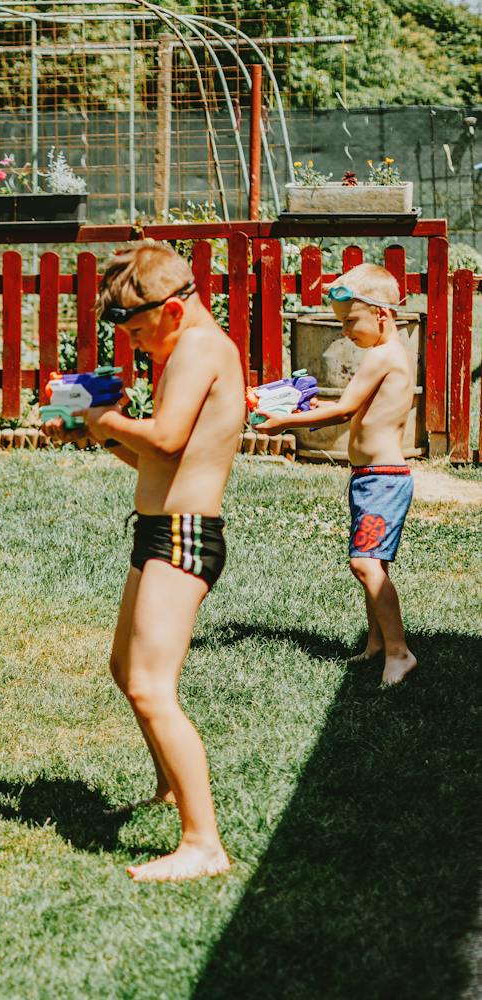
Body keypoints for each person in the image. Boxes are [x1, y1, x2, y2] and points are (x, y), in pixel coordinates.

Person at [43, 242, 243, 882]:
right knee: (126, 667)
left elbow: (165, 438)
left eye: (136, 333)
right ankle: (169, 787)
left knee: (151, 686)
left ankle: (203, 845)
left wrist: (102, 416)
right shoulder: (189, 350)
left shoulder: (199, 349)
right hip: (160, 531)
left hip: (183, 536)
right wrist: (96, 433)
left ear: (173, 311)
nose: (132, 346)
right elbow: (156, 459)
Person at [254, 263, 418, 686]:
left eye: (350, 321)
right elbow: (353, 408)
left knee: (364, 563)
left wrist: (285, 421)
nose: (345, 331)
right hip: (370, 477)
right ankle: (376, 644)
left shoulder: (381, 355)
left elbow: (344, 410)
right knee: (373, 564)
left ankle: (399, 652)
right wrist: (310, 408)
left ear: (380, 314)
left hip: (383, 479)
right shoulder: (386, 353)